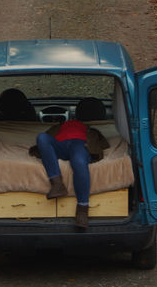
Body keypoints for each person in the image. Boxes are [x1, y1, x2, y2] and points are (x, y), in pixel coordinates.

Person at [31, 97, 109, 230]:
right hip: (60, 146)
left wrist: (93, 150)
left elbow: (102, 144)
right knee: (41, 137)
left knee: (79, 162)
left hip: (80, 145)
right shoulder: (58, 127)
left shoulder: (92, 129)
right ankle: (57, 184)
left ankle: (82, 210)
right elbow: (44, 143)